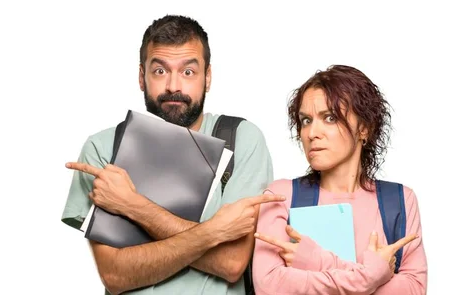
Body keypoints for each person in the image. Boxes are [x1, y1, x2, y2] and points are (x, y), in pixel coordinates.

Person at [60, 15, 282, 295]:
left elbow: (231, 262)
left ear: (208, 77)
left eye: (188, 72)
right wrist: (214, 232)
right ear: (142, 77)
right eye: (160, 71)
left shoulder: (241, 139)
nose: (174, 86)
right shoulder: (104, 148)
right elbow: (114, 275)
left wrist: (133, 205)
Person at [251, 65, 428, 294]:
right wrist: (373, 274)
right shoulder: (281, 196)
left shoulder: (400, 200)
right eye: (306, 120)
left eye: (330, 118)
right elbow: (270, 286)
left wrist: (316, 261)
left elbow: (413, 289)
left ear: (364, 128)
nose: (312, 133)